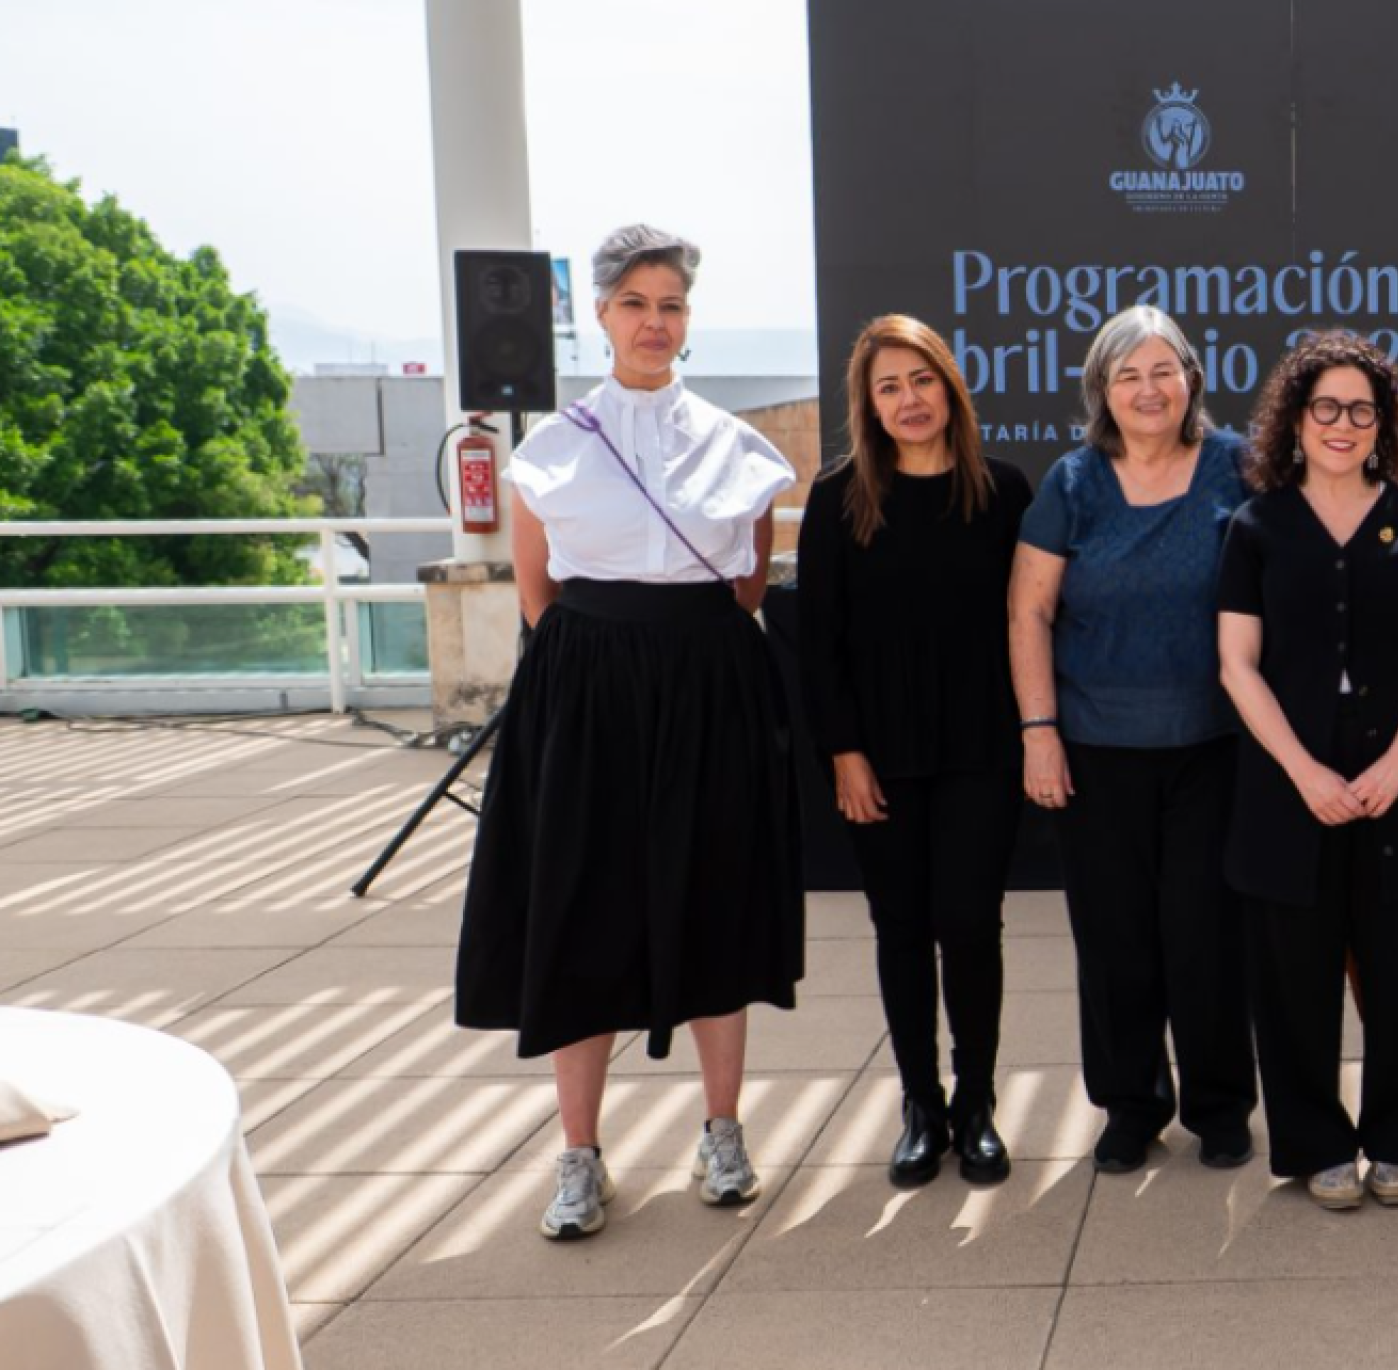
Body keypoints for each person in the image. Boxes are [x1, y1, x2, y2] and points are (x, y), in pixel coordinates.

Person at [455, 224, 802, 1241]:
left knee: (715, 900)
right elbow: (538, 600)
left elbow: (744, 586)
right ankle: (577, 1155)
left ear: (689, 322)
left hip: (709, 685)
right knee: (581, 904)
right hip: (588, 691)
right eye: (637, 304)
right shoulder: (550, 450)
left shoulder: (743, 449)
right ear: (601, 315)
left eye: (673, 306)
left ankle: (723, 1131)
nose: (656, 323)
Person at [1217, 331, 1398, 1210]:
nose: (1343, 424)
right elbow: (1237, 664)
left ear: (1382, 423)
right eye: (1326, 406)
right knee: (1293, 976)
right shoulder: (1256, 525)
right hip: (1291, 787)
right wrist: (1304, 773)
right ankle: (1316, 1143)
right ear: (1295, 418)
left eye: (1363, 409)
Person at [1008, 304, 1258, 1174]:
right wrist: (1039, 731)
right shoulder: (1073, 484)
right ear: (1100, 392)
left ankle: (1221, 1107)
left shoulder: (1241, 468)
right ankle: (1130, 1105)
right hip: (1095, 749)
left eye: (1163, 370)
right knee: (1116, 938)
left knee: (1208, 935)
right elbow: (1029, 609)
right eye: (1128, 375)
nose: (1148, 390)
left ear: (1192, 378)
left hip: (1217, 745)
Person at [796, 314, 1033, 1188]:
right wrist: (844, 753)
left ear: (950, 387)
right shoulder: (838, 496)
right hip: (879, 753)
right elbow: (817, 643)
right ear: (868, 404)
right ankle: (919, 1106)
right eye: (888, 387)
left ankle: (976, 1106)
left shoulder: (1004, 491)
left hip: (982, 745)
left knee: (971, 927)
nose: (908, 400)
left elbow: (1032, 620)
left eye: (921, 380)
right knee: (901, 928)